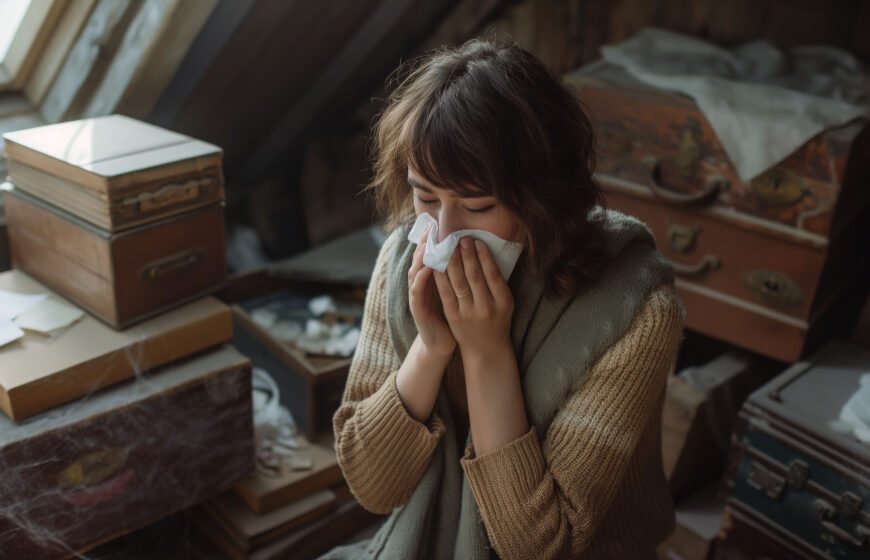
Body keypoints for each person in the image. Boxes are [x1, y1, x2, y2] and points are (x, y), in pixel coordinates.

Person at [320, 38, 685, 560]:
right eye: (426, 195)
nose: (443, 234)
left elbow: (537, 548)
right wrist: (432, 347)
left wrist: (488, 352)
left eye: (477, 204)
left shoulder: (638, 308)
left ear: (544, 200)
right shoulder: (405, 253)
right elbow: (374, 489)